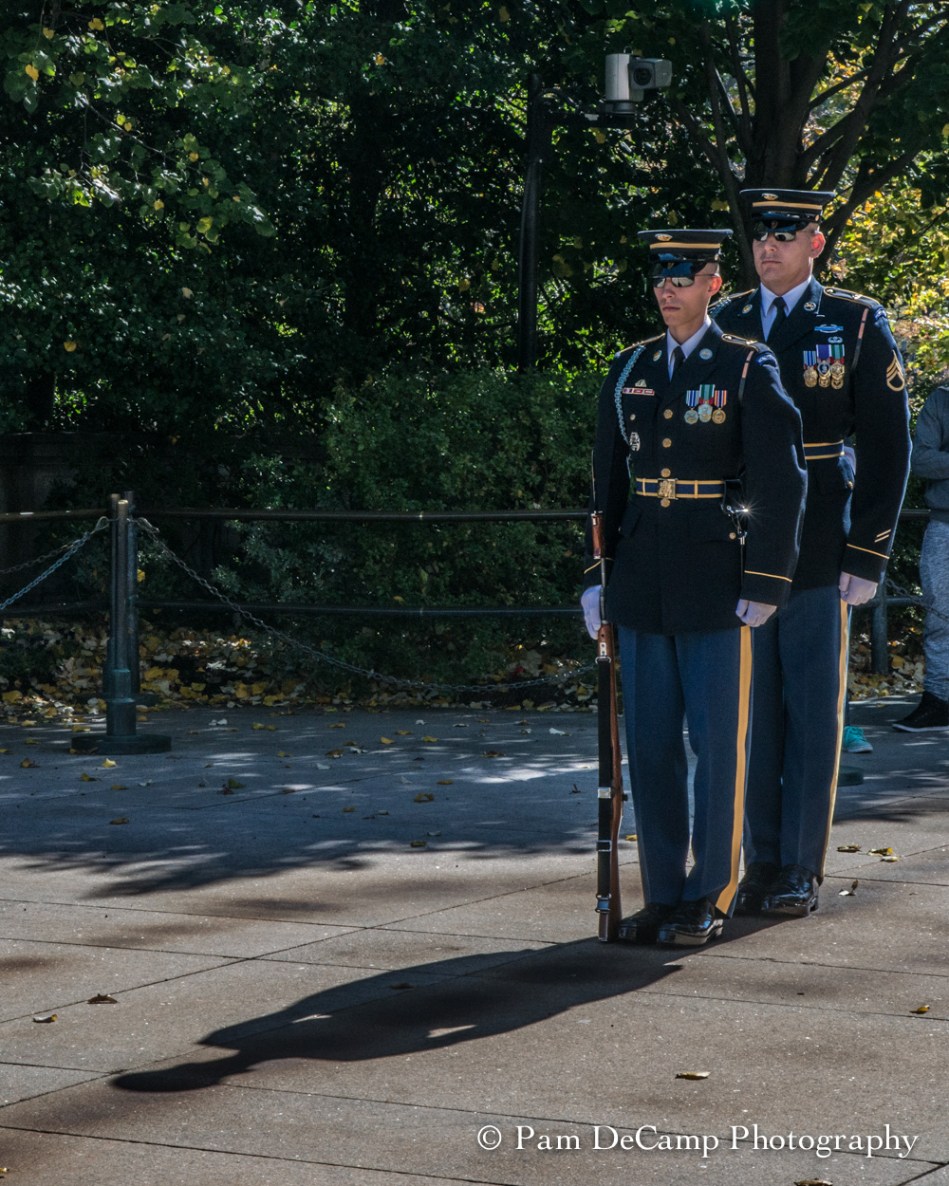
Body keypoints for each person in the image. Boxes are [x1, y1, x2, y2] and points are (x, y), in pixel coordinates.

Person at [582, 228, 806, 947]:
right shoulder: (631, 367)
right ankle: (663, 894)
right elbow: (607, 482)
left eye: (682, 277)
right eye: (659, 277)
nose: (667, 289)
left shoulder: (745, 364)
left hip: (715, 578)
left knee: (717, 748)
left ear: (712, 284)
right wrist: (597, 580)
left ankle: (709, 893)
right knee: (649, 749)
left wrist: (767, 579)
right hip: (642, 579)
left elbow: (781, 478)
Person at [714, 189, 911, 916]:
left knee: (810, 712)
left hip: (822, 540)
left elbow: (887, 446)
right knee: (751, 716)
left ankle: (799, 866)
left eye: (784, 234)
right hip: (741, 536)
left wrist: (868, 553)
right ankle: (759, 861)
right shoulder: (726, 320)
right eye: (760, 234)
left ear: (814, 243)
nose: (768, 246)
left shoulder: (854, 322)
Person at [893, 384, 949, 732]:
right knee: (940, 619)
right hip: (944, 525)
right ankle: (939, 700)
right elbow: (921, 460)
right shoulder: (941, 399)